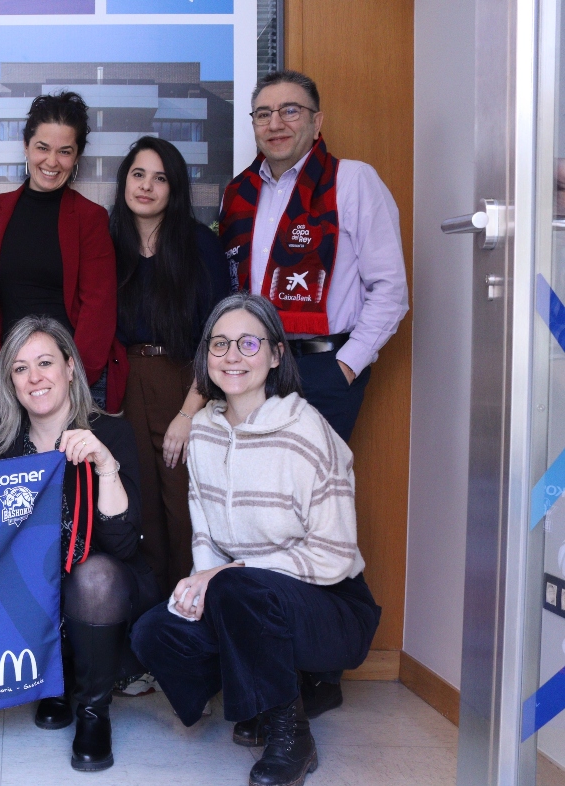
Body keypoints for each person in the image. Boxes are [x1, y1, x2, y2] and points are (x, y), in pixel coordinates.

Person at [130, 293, 380, 786]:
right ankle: (255, 696)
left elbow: (334, 555)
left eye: (249, 343)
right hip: (242, 600)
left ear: (275, 354)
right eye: (219, 345)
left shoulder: (308, 431)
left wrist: (227, 575)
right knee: (152, 632)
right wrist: (204, 582)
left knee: (236, 589)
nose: (232, 356)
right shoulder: (202, 431)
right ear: (206, 359)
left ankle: (290, 733)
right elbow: (205, 533)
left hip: (330, 606)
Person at [218, 68, 406, 714]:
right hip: (255, 371)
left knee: (314, 518)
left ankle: (318, 667)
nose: (275, 123)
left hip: (324, 371)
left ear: (316, 121)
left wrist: (348, 365)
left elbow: (391, 289)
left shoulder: (353, 182)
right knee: (261, 514)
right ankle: (275, 665)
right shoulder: (238, 195)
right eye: (264, 113)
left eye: (290, 111)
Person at [0, 315, 157, 772]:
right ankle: (52, 683)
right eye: (20, 369)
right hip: (38, 592)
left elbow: (122, 544)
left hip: (104, 590)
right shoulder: (3, 451)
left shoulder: (112, 432)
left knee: (95, 575)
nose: (34, 377)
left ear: (69, 368)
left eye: (45, 362)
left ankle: (92, 711)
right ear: (10, 382)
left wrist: (105, 465)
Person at [110, 136, 232, 596]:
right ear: (125, 182)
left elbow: (218, 337)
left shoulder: (200, 245)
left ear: (174, 188)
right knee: (140, 514)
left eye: (160, 178)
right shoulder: (109, 243)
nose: (146, 186)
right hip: (124, 384)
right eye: (138, 175)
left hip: (187, 383)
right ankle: (148, 631)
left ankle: (190, 616)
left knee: (185, 511)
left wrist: (187, 413)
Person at [0, 92, 123, 411]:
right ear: (26, 146)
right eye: (42, 148)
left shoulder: (91, 218)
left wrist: (73, 380)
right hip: (8, 379)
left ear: (76, 157)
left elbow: (99, 308)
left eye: (64, 152)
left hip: (73, 381)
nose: (51, 162)